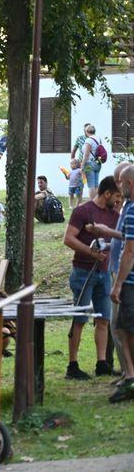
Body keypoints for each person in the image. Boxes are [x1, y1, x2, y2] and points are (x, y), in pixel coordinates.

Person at [63, 175, 122, 380]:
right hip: (83, 272)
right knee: (80, 319)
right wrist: (91, 253)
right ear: (107, 193)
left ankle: (101, 363)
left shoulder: (114, 215)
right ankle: (72, 365)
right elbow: (68, 239)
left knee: (103, 319)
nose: (118, 200)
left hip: (104, 274)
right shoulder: (83, 211)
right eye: (117, 196)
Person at [109, 166, 134, 402]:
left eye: (121, 182)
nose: (119, 187)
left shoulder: (131, 209)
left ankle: (131, 377)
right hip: (127, 278)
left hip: (129, 280)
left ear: (129, 184)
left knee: (125, 329)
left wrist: (118, 284)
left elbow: (129, 251)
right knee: (122, 327)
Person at [80, 124, 103, 199]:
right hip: (98, 163)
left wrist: (82, 165)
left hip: (89, 164)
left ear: (86, 132)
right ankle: (97, 202)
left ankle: (92, 203)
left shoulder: (88, 140)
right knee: (96, 184)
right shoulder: (98, 138)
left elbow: (86, 154)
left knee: (91, 185)